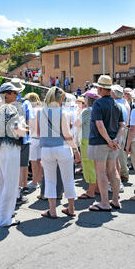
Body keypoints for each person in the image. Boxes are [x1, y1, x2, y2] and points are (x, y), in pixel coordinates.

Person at [39, 87, 81, 219]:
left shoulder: (41, 112)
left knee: (50, 180)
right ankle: (71, 208)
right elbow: (67, 135)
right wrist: (75, 149)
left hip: (46, 149)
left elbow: (39, 132)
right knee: (68, 179)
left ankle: (52, 210)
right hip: (62, 148)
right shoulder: (62, 113)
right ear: (59, 99)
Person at [0, 82, 27, 227]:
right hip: (10, 147)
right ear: (6, 94)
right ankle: (6, 219)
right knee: (10, 183)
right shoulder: (11, 108)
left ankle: (1, 214)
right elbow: (17, 130)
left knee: (0, 183)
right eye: (14, 93)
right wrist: (29, 131)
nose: (17, 95)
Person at [87, 76, 125, 212]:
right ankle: (115, 200)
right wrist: (115, 140)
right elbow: (122, 125)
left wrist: (109, 140)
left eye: (98, 87)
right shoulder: (117, 104)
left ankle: (104, 202)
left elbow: (99, 124)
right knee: (113, 170)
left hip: (100, 142)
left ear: (102, 89)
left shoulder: (98, 104)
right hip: (113, 143)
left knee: (101, 172)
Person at [11, 78, 34, 204]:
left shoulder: (3, 101)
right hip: (23, 138)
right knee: (23, 165)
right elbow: (30, 120)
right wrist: (28, 131)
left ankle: (13, 189)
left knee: (11, 166)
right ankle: (23, 186)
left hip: (8, 140)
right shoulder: (25, 103)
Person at [76, 89, 99, 199]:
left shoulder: (86, 111)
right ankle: (97, 188)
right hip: (97, 140)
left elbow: (77, 124)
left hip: (87, 140)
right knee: (96, 165)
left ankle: (91, 190)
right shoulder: (98, 109)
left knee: (88, 165)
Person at [111, 85, 129, 185]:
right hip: (123, 129)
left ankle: (120, 176)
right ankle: (123, 173)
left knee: (116, 156)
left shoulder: (115, 105)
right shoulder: (123, 104)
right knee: (121, 153)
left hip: (117, 131)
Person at [25, 93, 43, 190]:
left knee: (33, 161)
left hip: (33, 137)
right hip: (42, 138)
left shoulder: (31, 111)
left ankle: (34, 181)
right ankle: (39, 179)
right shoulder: (42, 109)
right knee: (40, 160)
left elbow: (30, 125)